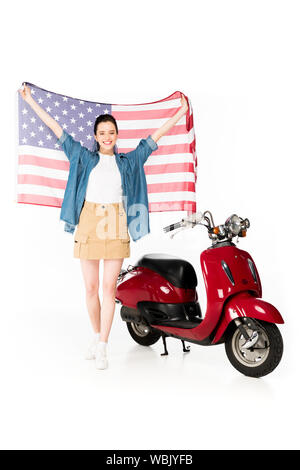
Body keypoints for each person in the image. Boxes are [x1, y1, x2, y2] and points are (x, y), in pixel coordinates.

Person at [19, 84, 189, 369]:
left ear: (117, 135)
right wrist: (31, 100)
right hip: (88, 221)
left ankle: (103, 346)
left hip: (115, 223)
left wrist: (181, 111)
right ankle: (97, 335)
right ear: (95, 137)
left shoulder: (128, 162)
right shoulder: (84, 157)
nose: (107, 137)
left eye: (111, 132)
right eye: (102, 133)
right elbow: (57, 129)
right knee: (90, 288)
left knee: (109, 289)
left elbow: (153, 139)